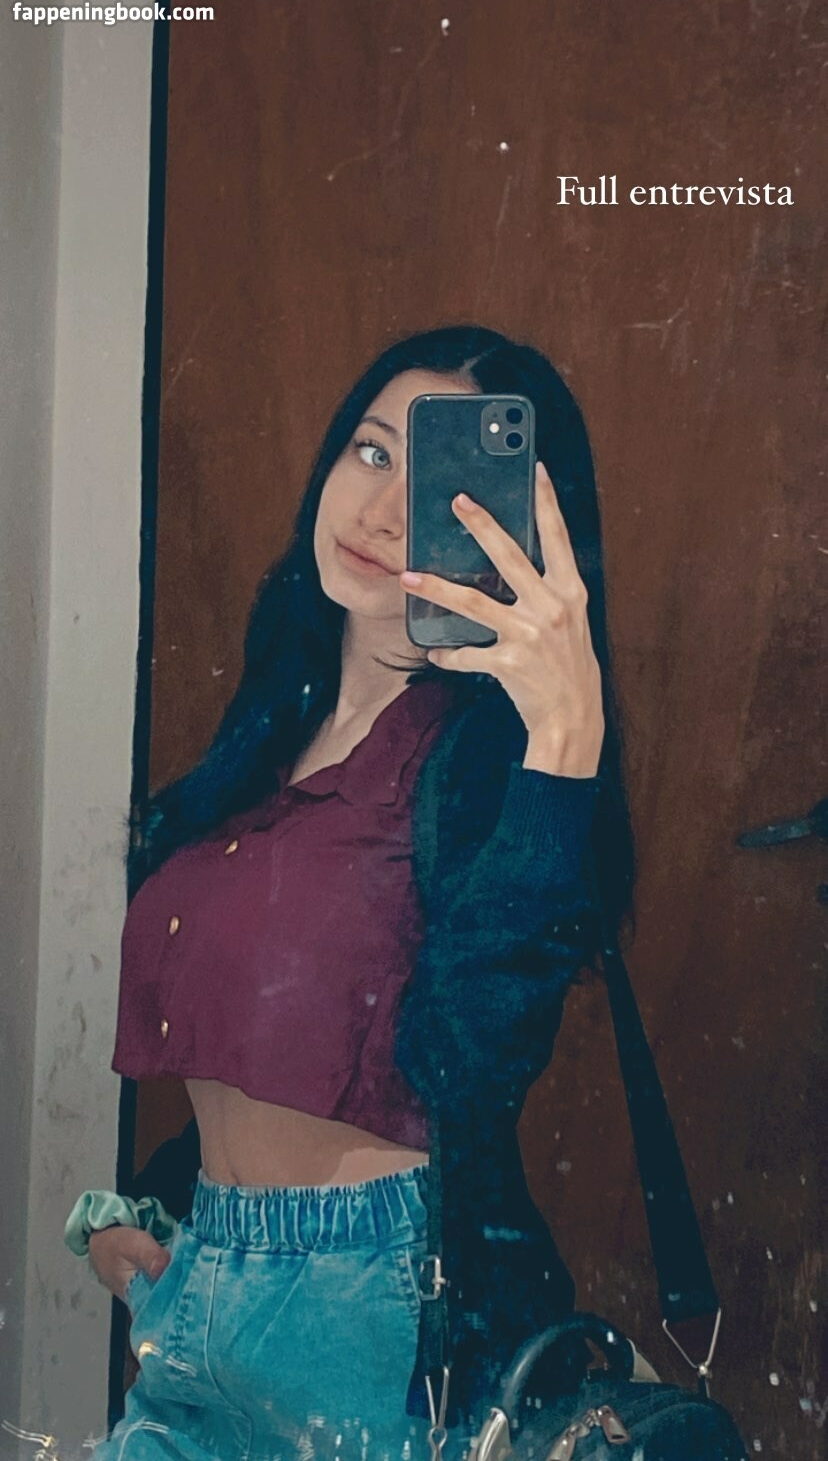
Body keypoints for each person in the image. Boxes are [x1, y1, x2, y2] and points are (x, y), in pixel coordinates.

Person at [65, 326, 634, 1460]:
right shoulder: (272, 732)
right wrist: (161, 1206)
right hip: (201, 1292)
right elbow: (279, 1037)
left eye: (437, 489)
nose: (380, 510)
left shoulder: (487, 764)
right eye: (372, 452)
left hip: (372, 1313)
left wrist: (565, 739)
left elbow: (467, 1069)